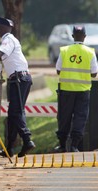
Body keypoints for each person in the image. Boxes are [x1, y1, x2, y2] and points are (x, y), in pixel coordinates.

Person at [0, 17, 35, 158]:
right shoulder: (9, 39)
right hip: (19, 79)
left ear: (4, 27)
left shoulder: (8, 39)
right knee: (13, 114)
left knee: (15, 112)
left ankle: (27, 139)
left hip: (19, 79)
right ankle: (9, 148)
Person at [54, 25, 98, 153]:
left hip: (66, 90)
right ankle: (74, 145)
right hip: (83, 91)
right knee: (80, 117)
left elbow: (58, 70)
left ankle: (62, 145)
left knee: (64, 117)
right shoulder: (90, 52)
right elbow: (94, 73)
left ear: (73, 36)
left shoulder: (65, 50)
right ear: (84, 37)